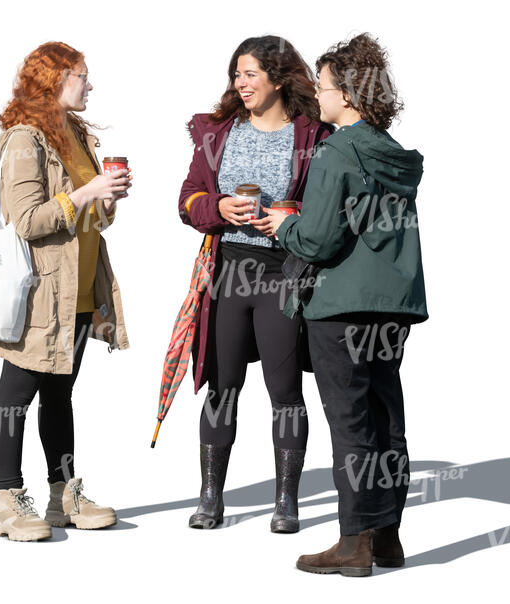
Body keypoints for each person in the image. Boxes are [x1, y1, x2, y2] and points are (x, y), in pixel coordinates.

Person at [252, 33, 427, 575]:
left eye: (324, 86)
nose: (317, 95)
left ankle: (354, 543)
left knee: (350, 422)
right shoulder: (391, 152)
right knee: (385, 417)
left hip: (342, 306)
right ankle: (386, 538)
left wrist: (286, 225)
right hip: (393, 306)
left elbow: (320, 240)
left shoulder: (337, 150)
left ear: (348, 94)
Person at [179, 36, 332, 532]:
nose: (241, 84)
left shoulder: (314, 136)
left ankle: (286, 501)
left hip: (282, 275)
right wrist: (217, 207)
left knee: (284, 390)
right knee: (221, 389)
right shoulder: (218, 133)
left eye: (250, 75)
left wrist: (292, 218)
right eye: (236, 75)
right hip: (227, 273)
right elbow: (187, 199)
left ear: (280, 78)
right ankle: (210, 497)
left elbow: (330, 208)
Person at [0, 41, 131, 541]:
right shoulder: (24, 138)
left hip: (80, 292)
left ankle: (61, 493)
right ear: (55, 79)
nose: (90, 86)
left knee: (60, 396)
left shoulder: (75, 132)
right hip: (39, 296)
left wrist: (106, 199)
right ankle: (6, 501)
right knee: (15, 397)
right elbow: (26, 220)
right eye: (82, 77)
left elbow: (92, 219)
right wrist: (86, 193)